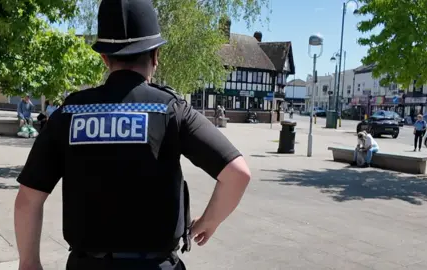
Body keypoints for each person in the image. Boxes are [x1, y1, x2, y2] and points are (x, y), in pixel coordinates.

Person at [13, 1, 251, 270]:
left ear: (104, 58)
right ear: (156, 56)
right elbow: (237, 174)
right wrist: (210, 221)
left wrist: (29, 263)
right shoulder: (172, 110)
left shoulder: (70, 112)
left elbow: (28, 199)